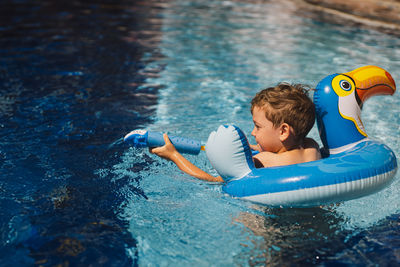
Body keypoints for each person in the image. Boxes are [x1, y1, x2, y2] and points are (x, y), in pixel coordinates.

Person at [150, 83, 321, 182]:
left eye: (258, 127)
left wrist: (173, 156)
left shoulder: (263, 160)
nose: (253, 132)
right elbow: (280, 150)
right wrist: (252, 146)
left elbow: (212, 181)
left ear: (283, 131)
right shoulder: (311, 147)